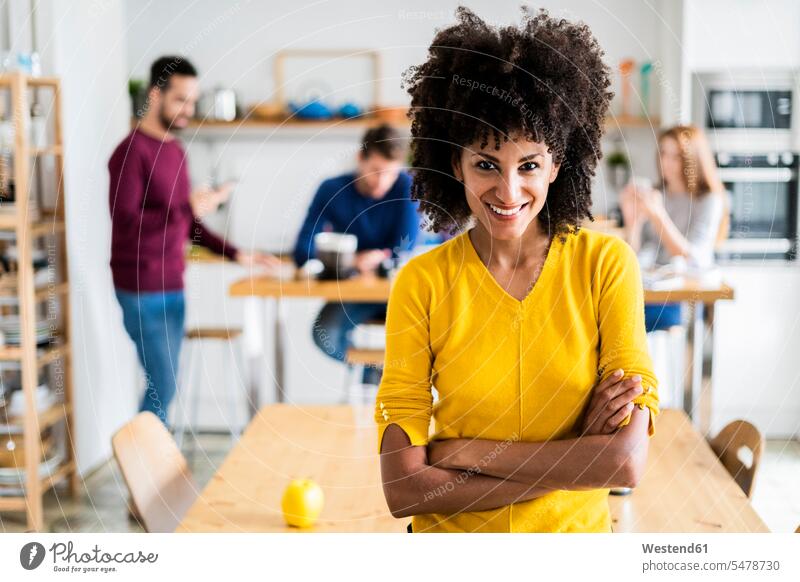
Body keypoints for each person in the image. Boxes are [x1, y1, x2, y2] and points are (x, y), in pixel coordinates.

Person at [374, 8, 659, 533]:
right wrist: (575, 457)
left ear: (557, 166)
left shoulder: (606, 266)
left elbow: (624, 462)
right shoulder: (423, 283)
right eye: (486, 164)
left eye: (529, 165)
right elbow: (403, 490)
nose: (508, 193)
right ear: (453, 163)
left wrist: (463, 452)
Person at [109, 56, 278, 424]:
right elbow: (125, 223)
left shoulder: (175, 152)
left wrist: (237, 254)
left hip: (172, 283)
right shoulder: (129, 153)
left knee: (166, 385)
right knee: (163, 386)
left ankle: (156, 470)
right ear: (156, 95)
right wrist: (185, 208)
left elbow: (187, 225)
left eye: (192, 100)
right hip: (140, 286)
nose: (189, 110)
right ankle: (145, 472)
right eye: (180, 100)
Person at [293, 124, 420, 383]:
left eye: (391, 174)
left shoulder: (407, 187)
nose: (382, 181)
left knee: (432, 341)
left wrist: (382, 256)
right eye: (375, 171)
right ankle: (374, 374)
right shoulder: (331, 189)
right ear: (360, 159)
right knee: (324, 335)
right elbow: (302, 246)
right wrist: (335, 263)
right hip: (354, 294)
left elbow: (407, 244)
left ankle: (397, 383)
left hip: (402, 294)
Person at [619, 125, 727, 331]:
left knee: (621, 322)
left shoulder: (709, 200)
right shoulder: (657, 193)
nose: (666, 163)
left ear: (692, 160)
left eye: (676, 156)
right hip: (651, 292)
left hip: (683, 300)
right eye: (663, 153)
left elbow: (692, 255)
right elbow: (635, 254)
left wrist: (658, 214)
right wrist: (631, 220)